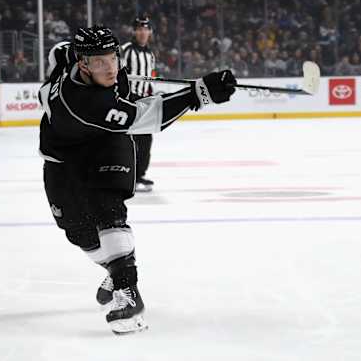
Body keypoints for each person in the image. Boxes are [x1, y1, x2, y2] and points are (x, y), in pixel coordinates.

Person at [38, 25, 236, 335]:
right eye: (99, 62)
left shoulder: (68, 56)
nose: (110, 68)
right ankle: (116, 268)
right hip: (63, 159)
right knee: (77, 232)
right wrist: (198, 93)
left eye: (112, 58)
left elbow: (58, 52)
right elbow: (147, 116)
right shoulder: (83, 101)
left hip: (108, 144)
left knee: (107, 207)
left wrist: (197, 93)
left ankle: (127, 293)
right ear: (82, 64)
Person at [120, 17, 156, 192]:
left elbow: (150, 78)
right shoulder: (126, 50)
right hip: (129, 101)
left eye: (146, 29)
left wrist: (152, 97)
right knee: (131, 140)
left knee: (146, 139)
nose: (143, 32)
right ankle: (129, 177)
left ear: (149, 32)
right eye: (139, 29)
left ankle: (139, 175)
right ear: (134, 31)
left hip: (145, 103)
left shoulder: (150, 54)